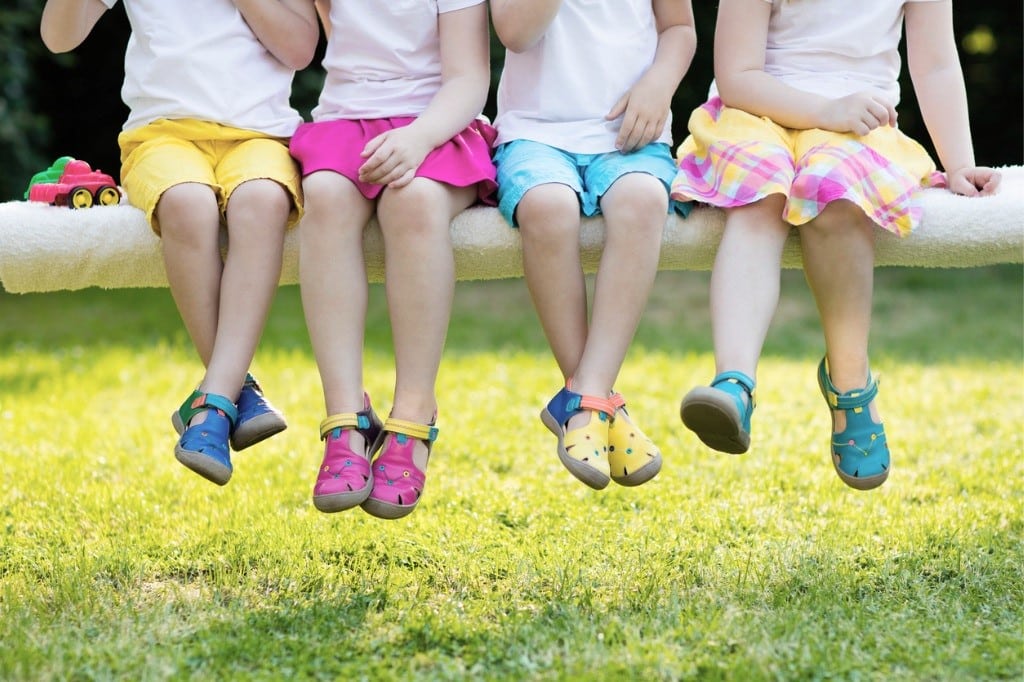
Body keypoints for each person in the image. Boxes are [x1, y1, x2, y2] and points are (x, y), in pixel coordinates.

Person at [672, 0, 1001, 489]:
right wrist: (826, 109)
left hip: (856, 130)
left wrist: (958, 162)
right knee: (760, 197)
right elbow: (738, 76)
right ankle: (734, 383)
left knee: (837, 195)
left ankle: (851, 381)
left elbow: (935, 64)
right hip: (756, 115)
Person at [40, 0, 319, 486]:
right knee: (187, 203)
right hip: (160, 136)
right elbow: (58, 38)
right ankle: (231, 392)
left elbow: (299, 48)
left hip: (262, 136)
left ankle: (214, 400)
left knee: (262, 201)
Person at [290, 0, 496, 519]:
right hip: (346, 124)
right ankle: (345, 416)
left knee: (415, 202)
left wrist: (417, 137)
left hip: (436, 125)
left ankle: (413, 415)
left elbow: (469, 78)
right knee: (326, 197)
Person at [490, 1, 697, 491]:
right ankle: (596, 399)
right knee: (546, 205)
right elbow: (514, 34)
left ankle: (584, 396)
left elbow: (680, 28)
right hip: (535, 132)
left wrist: (658, 84)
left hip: (630, 133)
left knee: (644, 199)